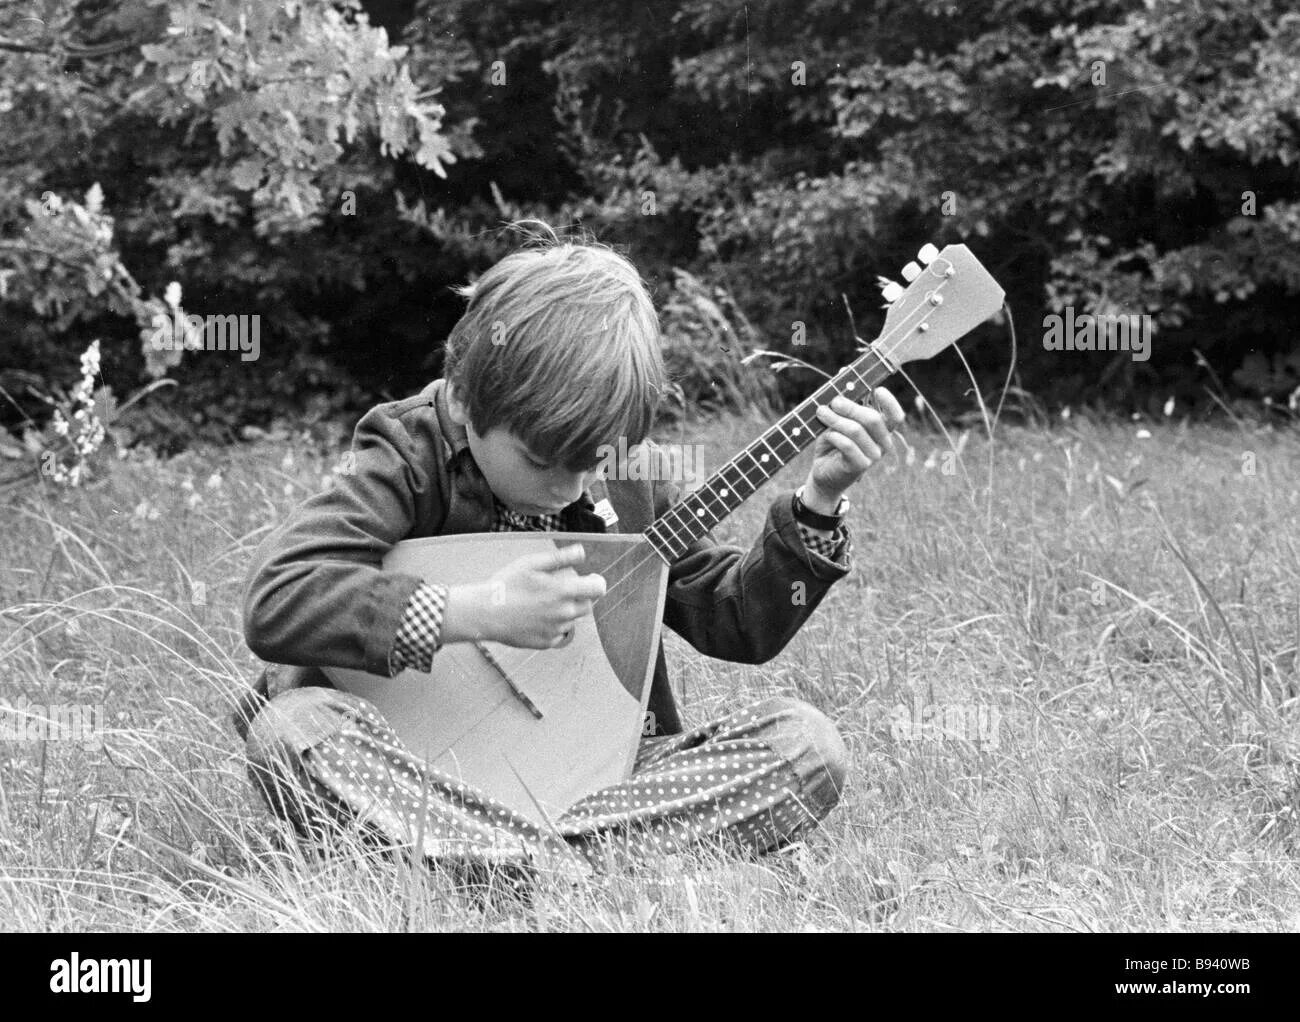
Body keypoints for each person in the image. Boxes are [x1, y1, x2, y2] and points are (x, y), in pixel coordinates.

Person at [233, 222, 905, 887]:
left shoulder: (621, 472)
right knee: (292, 731)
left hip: (599, 778)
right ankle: (589, 867)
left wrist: (818, 502)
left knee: (805, 745)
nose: (570, 488)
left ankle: (522, 867)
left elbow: (736, 623)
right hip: (423, 772)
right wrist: (480, 609)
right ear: (465, 399)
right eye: (543, 462)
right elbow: (280, 599)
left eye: (590, 463)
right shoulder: (406, 457)